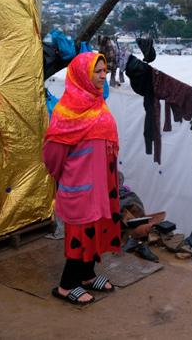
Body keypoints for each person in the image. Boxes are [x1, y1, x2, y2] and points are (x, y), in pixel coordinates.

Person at [43, 52, 121, 305]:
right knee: (80, 233)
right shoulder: (66, 112)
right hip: (80, 185)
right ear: (81, 75)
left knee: (96, 229)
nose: (102, 76)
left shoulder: (98, 103)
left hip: (101, 185)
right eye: (97, 71)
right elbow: (53, 155)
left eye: (104, 71)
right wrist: (67, 178)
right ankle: (67, 285)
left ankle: (87, 275)